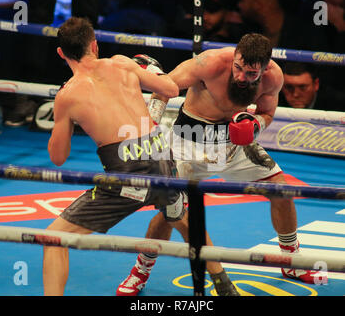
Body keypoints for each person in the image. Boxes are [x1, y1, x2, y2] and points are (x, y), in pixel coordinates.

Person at [117, 33, 328, 296]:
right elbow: (164, 87)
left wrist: (254, 125)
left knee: (280, 189)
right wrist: (152, 125)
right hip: (188, 143)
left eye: (250, 73)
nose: (241, 77)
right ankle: (140, 270)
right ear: (235, 57)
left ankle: (292, 262)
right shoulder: (210, 63)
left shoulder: (274, 77)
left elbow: (267, 113)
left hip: (233, 144)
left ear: (264, 68)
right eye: (238, 68)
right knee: (170, 211)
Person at [43, 16, 238, 296]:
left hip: (128, 173)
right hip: (162, 159)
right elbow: (171, 89)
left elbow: (58, 158)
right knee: (180, 216)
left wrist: (62, 116)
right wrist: (149, 72)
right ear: (94, 45)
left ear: (61, 54)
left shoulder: (68, 95)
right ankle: (223, 283)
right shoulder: (122, 63)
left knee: (54, 239)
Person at [280, 62, 345, 112]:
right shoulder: (273, 101)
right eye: (289, 87)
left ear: (316, 84)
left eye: (303, 87)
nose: (295, 94)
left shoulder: (337, 104)